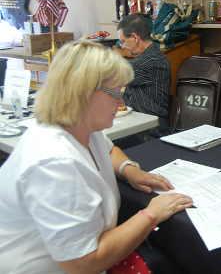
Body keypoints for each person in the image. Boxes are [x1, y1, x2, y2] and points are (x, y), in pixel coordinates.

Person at [0, 40, 192, 274]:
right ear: (85, 93)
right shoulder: (54, 163)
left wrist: (130, 170)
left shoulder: (79, 127)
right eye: (116, 92)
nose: (122, 102)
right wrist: (151, 214)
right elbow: (83, 262)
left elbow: (108, 149)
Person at [117, 14, 171, 128]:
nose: (122, 46)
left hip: (150, 130)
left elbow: (112, 73)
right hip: (137, 123)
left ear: (135, 38)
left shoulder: (152, 60)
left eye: (123, 41)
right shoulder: (148, 56)